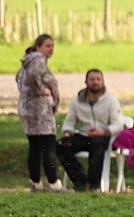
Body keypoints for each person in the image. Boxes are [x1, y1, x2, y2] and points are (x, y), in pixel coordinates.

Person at [57, 69, 124, 192]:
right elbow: (70, 120)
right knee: (60, 146)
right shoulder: (78, 101)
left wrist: (103, 131)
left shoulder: (111, 101)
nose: (95, 82)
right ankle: (81, 181)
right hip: (83, 135)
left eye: (98, 79)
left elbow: (118, 124)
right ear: (86, 82)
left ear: (103, 82)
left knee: (97, 144)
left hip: (103, 136)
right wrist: (67, 132)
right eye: (92, 79)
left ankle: (94, 185)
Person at [16, 34, 66, 192]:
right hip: (40, 112)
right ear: (38, 47)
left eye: (52, 46)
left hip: (28, 110)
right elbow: (33, 77)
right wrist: (42, 91)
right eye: (47, 45)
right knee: (49, 147)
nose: (51, 49)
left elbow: (19, 79)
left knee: (35, 148)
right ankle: (54, 184)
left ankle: (36, 183)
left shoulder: (26, 61)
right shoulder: (38, 59)